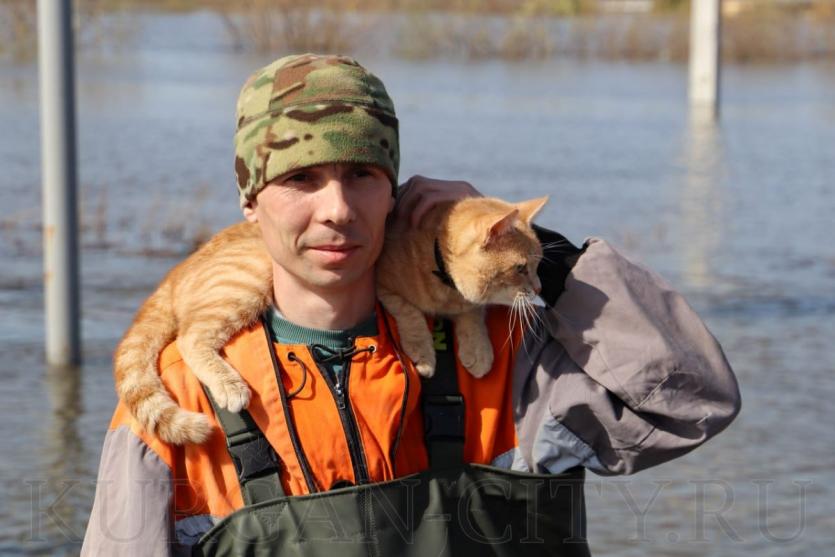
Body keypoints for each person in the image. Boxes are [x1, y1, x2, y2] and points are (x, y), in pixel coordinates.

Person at [81, 54, 740, 556]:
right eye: (300, 179)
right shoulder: (181, 395)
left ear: (394, 191)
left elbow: (692, 403)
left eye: (361, 174)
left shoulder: (507, 359)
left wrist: (538, 255)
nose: (336, 209)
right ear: (250, 201)